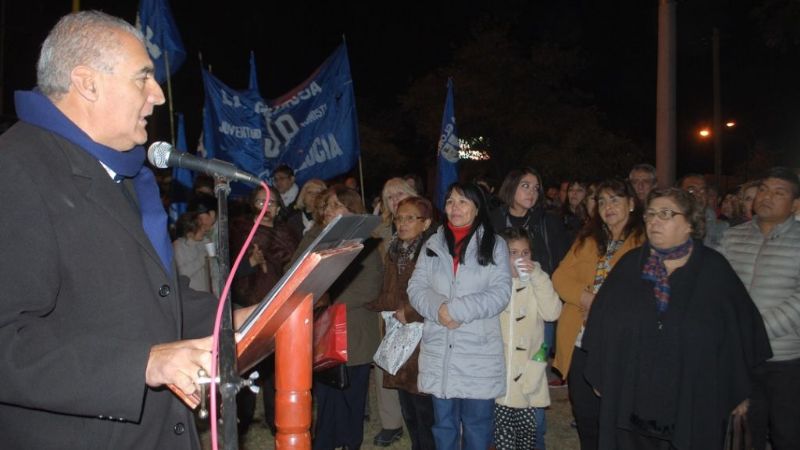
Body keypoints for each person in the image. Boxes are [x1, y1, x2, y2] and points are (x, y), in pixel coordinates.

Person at [0, 11, 253, 448]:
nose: (157, 95)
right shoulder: (15, 169)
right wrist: (142, 364)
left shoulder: (119, 173)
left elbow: (149, 298)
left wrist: (230, 321)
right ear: (87, 82)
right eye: (143, 77)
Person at [582, 187, 772, 449]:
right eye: (650, 214)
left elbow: (739, 336)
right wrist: (603, 374)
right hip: (632, 400)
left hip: (691, 398)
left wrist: (736, 388)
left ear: (690, 224)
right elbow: (601, 325)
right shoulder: (629, 266)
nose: (654, 221)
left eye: (666, 214)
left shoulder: (714, 271)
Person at [408, 182, 512, 450]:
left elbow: (499, 293)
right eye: (451, 201)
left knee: (478, 426)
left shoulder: (495, 244)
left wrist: (455, 311)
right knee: (443, 426)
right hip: (440, 351)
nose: (455, 208)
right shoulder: (433, 243)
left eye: (463, 202)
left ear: (477, 208)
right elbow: (416, 287)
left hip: (477, 353)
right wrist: (439, 309)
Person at [552, 179, 645, 450]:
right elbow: (560, 276)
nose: (607, 206)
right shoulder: (588, 238)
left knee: (618, 418)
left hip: (620, 345)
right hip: (581, 342)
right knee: (585, 414)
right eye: (602, 201)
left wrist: (603, 305)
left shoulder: (645, 241)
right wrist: (587, 297)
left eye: (615, 199)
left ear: (631, 204)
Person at [719, 167, 800, 450]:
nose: (767, 197)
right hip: (741, 358)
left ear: (795, 204)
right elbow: (719, 289)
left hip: (786, 360)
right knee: (745, 435)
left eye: (779, 193)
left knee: (787, 434)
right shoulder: (733, 237)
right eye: (764, 189)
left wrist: (756, 330)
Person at [300, 185, 382, 450]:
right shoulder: (312, 238)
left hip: (353, 331)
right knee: (326, 394)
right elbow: (295, 273)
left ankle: (349, 443)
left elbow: (369, 287)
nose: (330, 211)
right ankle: (324, 442)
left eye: (336, 205)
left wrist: (327, 300)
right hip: (321, 331)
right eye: (326, 206)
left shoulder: (365, 240)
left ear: (351, 208)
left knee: (350, 394)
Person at [367, 196, 437, 450]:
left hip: (424, 336)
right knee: (407, 401)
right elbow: (388, 290)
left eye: (411, 218)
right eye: (399, 218)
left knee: (423, 404)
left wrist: (410, 312)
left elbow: (437, 294)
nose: (403, 223)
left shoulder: (433, 252)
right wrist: (374, 304)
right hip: (399, 334)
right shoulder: (394, 250)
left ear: (426, 222)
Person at [494, 227, 562, 450]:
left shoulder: (538, 281)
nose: (520, 258)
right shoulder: (494, 282)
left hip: (528, 377)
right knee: (502, 437)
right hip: (499, 377)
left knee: (528, 436)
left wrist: (538, 278)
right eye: (513, 253)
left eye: (525, 253)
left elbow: (552, 312)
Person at [369, 176, 419, 446]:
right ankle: (391, 423)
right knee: (385, 363)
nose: (395, 198)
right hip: (387, 308)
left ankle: (418, 422)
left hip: (416, 307)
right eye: (390, 196)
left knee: (415, 367)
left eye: (400, 193)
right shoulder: (379, 231)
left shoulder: (425, 226)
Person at [173, 211, 219, 295]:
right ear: (189, 233)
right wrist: (202, 258)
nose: (204, 229)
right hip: (190, 296)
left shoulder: (205, 242)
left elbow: (213, 272)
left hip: (207, 295)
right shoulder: (178, 246)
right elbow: (182, 273)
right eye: (200, 228)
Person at [677, 173, 729, 247]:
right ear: (679, 194)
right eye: (691, 191)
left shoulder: (721, 228)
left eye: (703, 191)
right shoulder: (669, 224)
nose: (699, 195)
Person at [560, 180, 590, 245]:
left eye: (579, 190)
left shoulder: (591, 220)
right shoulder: (558, 217)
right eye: (571, 190)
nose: (574, 193)